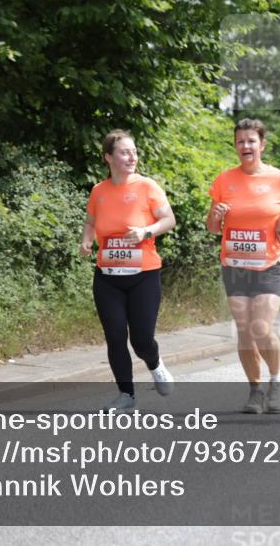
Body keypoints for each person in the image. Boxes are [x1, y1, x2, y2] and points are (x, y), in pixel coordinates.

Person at [207, 118, 280, 414]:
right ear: (235, 146)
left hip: (268, 264)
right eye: (240, 141)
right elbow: (212, 227)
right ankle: (255, 391)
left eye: (251, 141)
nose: (245, 146)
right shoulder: (224, 180)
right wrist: (216, 213)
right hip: (235, 265)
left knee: (261, 327)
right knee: (244, 330)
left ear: (262, 144)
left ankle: (278, 379)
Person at [82, 129, 177, 413]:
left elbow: (169, 220)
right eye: (124, 152)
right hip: (108, 277)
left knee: (142, 339)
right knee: (114, 335)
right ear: (108, 157)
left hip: (143, 276)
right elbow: (90, 222)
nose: (131, 156)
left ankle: (155, 363)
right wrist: (86, 240)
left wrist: (147, 230)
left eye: (133, 151)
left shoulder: (147, 186)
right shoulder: (99, 191)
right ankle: (126, 395)